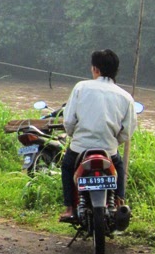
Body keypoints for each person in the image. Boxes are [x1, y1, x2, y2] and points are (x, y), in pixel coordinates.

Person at [59, 49, 138, 222]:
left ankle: (69, 208)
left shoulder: (81, 87)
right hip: (108, 150)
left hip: (80, 148)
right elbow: (127, 131)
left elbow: (69, 121)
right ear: (115, 71)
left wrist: (74, 135)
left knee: (66, 167)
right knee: (119, 168)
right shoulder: (125, 97)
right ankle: (118, 202)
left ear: (95, 69)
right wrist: (113, 141)